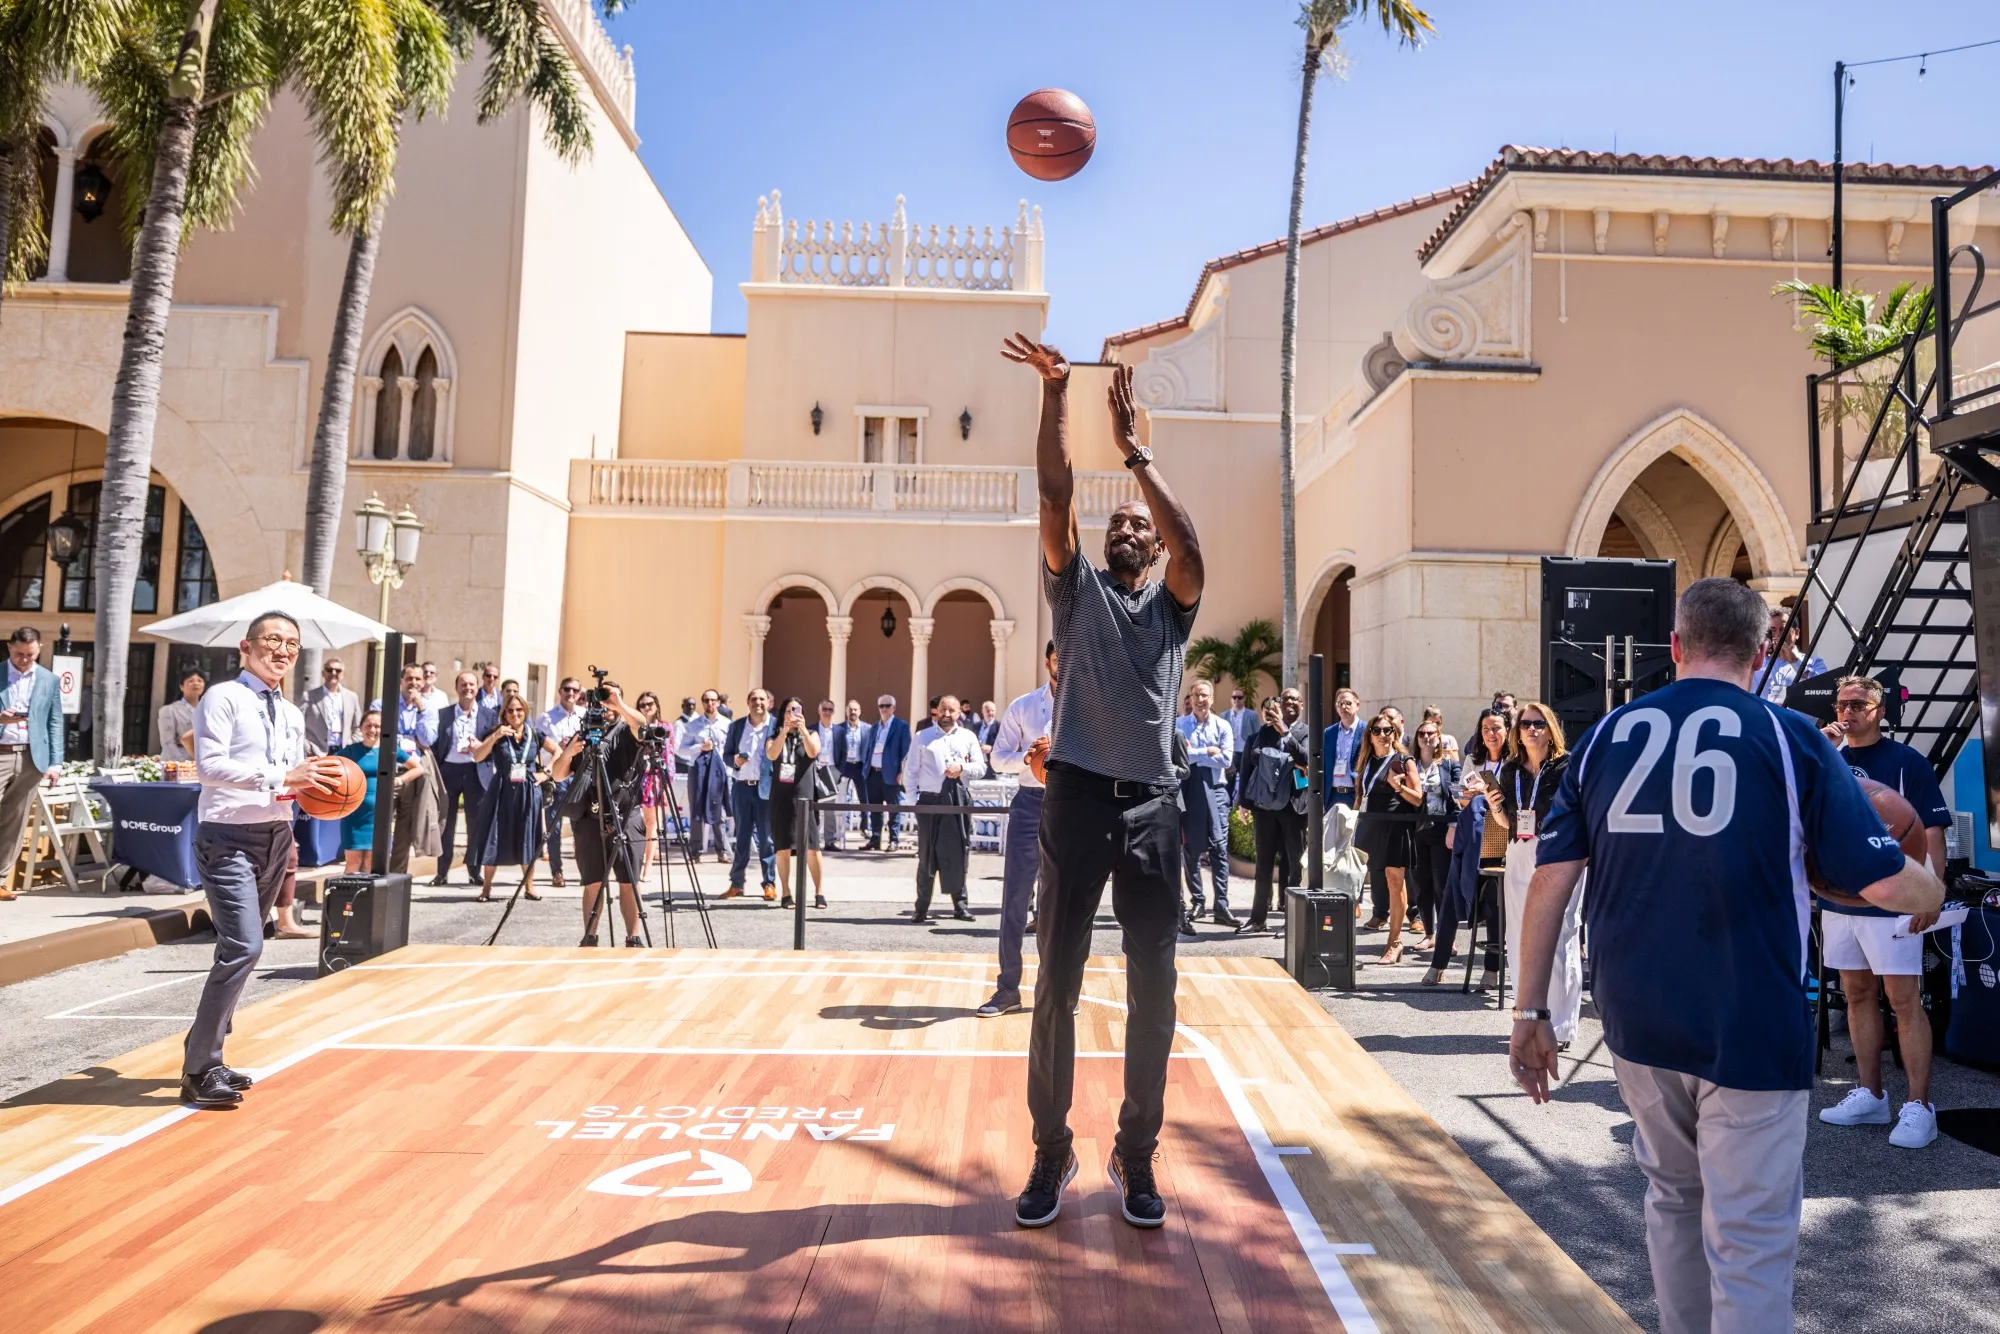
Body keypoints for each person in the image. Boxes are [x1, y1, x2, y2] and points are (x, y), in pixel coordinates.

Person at [1511, 576, 1944, 1334]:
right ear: (1759, 652)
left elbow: (1551, 879)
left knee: (1673, 1203)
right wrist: (1932, 886)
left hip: (1638, 1013)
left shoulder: (1607, 735)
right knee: (1750, 1235)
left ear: (1675, 646)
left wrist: (1530, 1010)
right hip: (1750, 1012)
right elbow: (1883, 884)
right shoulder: (1791, 736)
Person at [1001, 334, 1203, 1232]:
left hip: (1156, 806)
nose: (1127, 529)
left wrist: (1137, 455)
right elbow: (1054, 494)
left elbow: (1192, 542)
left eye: (1139, 526)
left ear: (1152, 548)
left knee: (1155, 989)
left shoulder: (1171, 606)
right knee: (1057, 984)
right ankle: (1051, 1152)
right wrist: (1055, 394)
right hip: (1080, 796)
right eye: (1117, 522)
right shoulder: (1077, 592)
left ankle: (1136, 1150)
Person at [182, 612, 343, 1106]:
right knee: (243, 948)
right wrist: (282, 779)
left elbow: (292, 778)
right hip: (227, 838)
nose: (283, 649)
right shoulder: (223, 697)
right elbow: (209, 767)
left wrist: (315, 785)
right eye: (273, 640)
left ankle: (206, 1053)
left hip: (275, 836)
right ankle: (198, 1070)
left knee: (245, 947)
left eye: (292, 643)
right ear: (245, 647)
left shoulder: (292, 713)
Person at [1815, 673, 1950, 1149]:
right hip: (1840, 894)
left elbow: (1931, 830)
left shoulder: (1905, 762)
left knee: (1903, 1000)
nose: (1847, 712)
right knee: (1855, 994)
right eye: (1841, 704)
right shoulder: (1825, 759)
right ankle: (1871, 1095)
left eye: (1858, 704)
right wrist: (1822, 750)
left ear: (1880, 711)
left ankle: (1920, 1106)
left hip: (1894, 896)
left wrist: (1932, 890)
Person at [1494, 700, 1581, 1040]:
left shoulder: (1567, 766)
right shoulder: (1510, 769)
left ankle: (1560, 1025)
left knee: (1560, 934)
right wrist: (1494, 804)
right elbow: (1507, 822)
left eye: (1538, 724)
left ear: (1550, 730)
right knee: (1518, 935)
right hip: (1519, 851)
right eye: (1525, 724)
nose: (1531, 729)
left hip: (1558, 852)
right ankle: (1529, 1016)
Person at [982, 642, 1057, 1016]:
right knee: (1015, 899)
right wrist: (1028, 756)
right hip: (1030, 802)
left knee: (1061, 904)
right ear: (1048, 662)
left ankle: (1058, 991)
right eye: (1060, 656)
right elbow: (998, 758)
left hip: (1072, 808)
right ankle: (1008, 989)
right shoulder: (1024, 706)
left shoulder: (1088, 704)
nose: (1066, 662)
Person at [551, 681, 649, 946]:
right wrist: (569, 751)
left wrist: (619, 703)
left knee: (628, 881)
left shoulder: (627, 730)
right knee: (593, 881)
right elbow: (559, 774)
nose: (605, 704)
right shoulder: (584, 734)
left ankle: (633, 937)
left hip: (626, 817)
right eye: (601, 698)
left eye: (611, 698)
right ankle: (590, 935)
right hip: (590, 820)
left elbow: (642, 725)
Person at [1425, 708, 1507, 987]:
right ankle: (1438, 963)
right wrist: (1469, 794)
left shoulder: (1515, 763)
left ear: (1507, 731)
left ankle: (1492, 969)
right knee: (1450, 896)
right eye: (1486, 728)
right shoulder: (1474, 759)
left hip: (1500, 838)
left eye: (1496, 728)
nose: (1491, 734)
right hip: (1471, 836)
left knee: (1496, 903)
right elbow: (1462, 801)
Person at [903, 693, 985, 923]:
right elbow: (910, 772)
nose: (946, 714)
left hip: (958, 799)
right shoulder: (922, 736)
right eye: (943, 709)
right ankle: (921, 908)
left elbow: (980, 767)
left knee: (959, 852)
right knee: (926, 856)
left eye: (951, 710)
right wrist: (912, 804)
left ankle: (960, 906)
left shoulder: (968, 736)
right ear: (936, 711)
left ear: (959, 713)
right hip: (929, 801)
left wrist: (963, 767)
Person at [0, 628, 63, 902]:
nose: (25, 659)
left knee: (14, 820)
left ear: (40, 649)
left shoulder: (49, 680)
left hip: (31, 758)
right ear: (9, 647)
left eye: (31, 654)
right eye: (19, 654)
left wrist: (56, 763)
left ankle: (0, 879)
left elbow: (55, 722)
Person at [474, 694, 556, 902]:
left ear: (525, 712)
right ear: (504, 714)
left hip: (528, 790)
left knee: (527, 837)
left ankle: (529, 887)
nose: (515, 714)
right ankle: (486, 889)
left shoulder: (535, 734)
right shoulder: (496, 733)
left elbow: (558, 751)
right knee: (494, 836)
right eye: (510, 710)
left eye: (519, 710)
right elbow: (477, 756)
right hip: (501, 790)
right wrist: (495, 737)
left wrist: (545, 773)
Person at [1354, 711, 1421, 964]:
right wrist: (1352, 822)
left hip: (1396, 829)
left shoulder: (1404, 761)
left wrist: (1398, 787)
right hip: (1371, 829)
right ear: (1369, 736)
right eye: (1377, 731)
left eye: (1388, 730)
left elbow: (1418, 798)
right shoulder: (1366, 762)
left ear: (1395, 734)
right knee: (1365, 880)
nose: (1383, 735)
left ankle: (1395, 943)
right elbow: (1360, 797)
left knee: (1396, 883)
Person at [1238, 696, 1308, 934]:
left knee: (1296, 865)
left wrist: (1284, 732)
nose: (1280, 709)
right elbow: (1249, 765)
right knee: (1263, 864)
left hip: (1293, 808)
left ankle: (1293, 921)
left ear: (1301, 706)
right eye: (1274, 708)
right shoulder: (1261, 734)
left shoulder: (1305, 733)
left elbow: (1305, 759)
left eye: (1291, 701)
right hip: (1265, 808)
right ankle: (1257, 918)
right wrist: (1244, 805)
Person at [1176, 679, 1236, 928]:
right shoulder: (1180, 725)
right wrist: (1207, 751)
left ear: (1212, 698)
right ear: (1190, 698)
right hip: (1188, 793)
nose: (1200, 700)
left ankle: (1221, 905)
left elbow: (1226, 759)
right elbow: (1179, 757)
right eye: (1196, 695)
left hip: (1216, 792)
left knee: (1219, 850)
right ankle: (1197, 901)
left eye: (1205, 695)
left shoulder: (1223, 726)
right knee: (1189, 850)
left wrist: (1196, 754)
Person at [335, 710, 423, 874]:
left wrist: (398, 780)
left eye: (377, 726)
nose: (372, 730)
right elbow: (330, 765)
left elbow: (418, 768)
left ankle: (368, 899)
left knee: (372, 864)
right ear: (361, 728)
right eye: (368, 725)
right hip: (353, 815)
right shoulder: (351, 751)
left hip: (379, 816)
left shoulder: (389, 750)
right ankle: (348, 900)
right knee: (353, 863)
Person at [432, 671, 496, 887]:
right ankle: (441, 872)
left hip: (476, 771)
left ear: (477, 688)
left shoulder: (489, 715)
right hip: (449, 771)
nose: (467, 688)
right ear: (457, 687)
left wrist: (480, 746)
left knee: (475, 824)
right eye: (463, 684)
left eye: (471, 684)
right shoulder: (444, 714)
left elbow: (494, 744)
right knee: (446, 824)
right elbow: (435, 744)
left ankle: (474, 871)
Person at [766, 696, 826, 910]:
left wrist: (801, 730)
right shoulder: (774, 737)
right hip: (781, 797)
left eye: (797, 710)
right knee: (782, 848)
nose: (793, 714)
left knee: (812, 847)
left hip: (804, 797)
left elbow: (813, 752)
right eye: (789, 711)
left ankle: (818, 892)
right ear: (783, 714)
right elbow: (772, 755)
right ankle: (786, 892)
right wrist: (784, 731)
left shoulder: (812, 734)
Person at [1409, 717, 1460, 953]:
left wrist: (1453, 825)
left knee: (1442, 885)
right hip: (1416, 831)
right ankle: (1429, 933)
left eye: (1431, 733)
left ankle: (1445, 936)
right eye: (1422, 734)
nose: (1427, 737)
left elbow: (1459, 798)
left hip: (1441, 830)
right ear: (1417, 739)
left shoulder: (1449, 765)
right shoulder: (1410, 765)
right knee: (1422, 885)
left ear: (1439, 737)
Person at [723, 688, 778, 900]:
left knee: (767, 839)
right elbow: (726, 754)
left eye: (762, 699)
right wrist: (734, 761)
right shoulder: (737, 726)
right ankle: (736, 884)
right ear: (748, 702)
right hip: (741, 787)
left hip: (766, 789)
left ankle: (769, 883)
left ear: (769, 703)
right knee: (742, 837)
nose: (758, 703)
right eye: (754, 699)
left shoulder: (775, 726)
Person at [389, 665, 444, 874]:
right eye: (409, 678)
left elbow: (427, 739)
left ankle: (397, 875)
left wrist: (420, 709)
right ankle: (376, 869)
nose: (414, 683)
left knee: (405, 826)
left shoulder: (428, 708)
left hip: (414, 772)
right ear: (402, 680)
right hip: (391, 769)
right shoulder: (386, 703)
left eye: (418, 679)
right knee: (382, 822)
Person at [539, 677, 585, 886]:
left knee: (580, 829)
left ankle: (585, 870)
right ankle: (556, 872)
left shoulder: (585, 716)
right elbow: (539, 748)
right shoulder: (546, 718)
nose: (570, 693)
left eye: (575, 690)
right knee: (554, 828)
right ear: (560, 690)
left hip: (579, 779)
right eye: (567, 689)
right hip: (556, 778)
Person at [678, 690, 731, 860]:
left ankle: (721, 850)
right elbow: (681, 749)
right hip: (697, 771)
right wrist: (699, 747)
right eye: (706, 700)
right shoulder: (693, 725)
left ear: (718, 703)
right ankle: (695, 852)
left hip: (719, 772)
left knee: (718, 810)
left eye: (713, 700)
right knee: (696, 811)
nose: (710, 704)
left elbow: (731, 750)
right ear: (703, 703)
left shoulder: (727, 724)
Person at [862, 694, 912, 851]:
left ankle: (894, 840)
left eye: (887, 705)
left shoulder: (901, 726)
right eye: (881, 706)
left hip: (891, 774)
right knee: (875, 809)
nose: (884, 709)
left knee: (893, 809)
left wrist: (902, 773)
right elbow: (869, 748)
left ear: (894, 707)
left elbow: (906, 752)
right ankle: (875, 840)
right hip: (873, 774)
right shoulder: (874, 727)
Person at [632, 691, 671, 882]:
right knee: (632, 823)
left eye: (650, 704)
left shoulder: (664, 727)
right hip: (635, 777)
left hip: (654, 778)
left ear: (656, 705)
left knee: (651, 824)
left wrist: (665, 785)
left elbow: (668, 757)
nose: (646, 708)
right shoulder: (634, 726)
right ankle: (634, 862)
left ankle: (647, 867)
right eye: (642, 705)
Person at [1758, 603, 1829, 706]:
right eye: (1773, 630)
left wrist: (1794, 662)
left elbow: (1823, 690)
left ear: (1796, 633)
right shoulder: (1760, 663)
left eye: (1783, 629)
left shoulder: (1814, 663)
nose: (1777, 635)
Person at [829, 699, 868, 851]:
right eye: (850, 710)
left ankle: (865, 827)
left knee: (864, 798)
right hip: (844, 767)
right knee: (840, 798)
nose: (853, 712)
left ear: (860, 711)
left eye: (855, 710)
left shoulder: (867, 729)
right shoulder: (838, 729)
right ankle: (840, 829)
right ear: (846, 711)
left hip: (859, 766)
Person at [302, 658, 361, 757]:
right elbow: (299, 723)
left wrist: (352, 744)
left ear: (342, 674)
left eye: (338, 671)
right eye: (329, 670)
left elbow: (358, 726)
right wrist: (307, 746)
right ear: (323, 673)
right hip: (316, 751)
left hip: (344, 750)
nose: (333, 673)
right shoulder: (309, 696)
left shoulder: (352, 697)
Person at [1321, 687, 1365, 809]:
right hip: (1333, 795)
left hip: (1355, 794)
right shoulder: (1329, 732)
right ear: (1336, 708)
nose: (1344, 707)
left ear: (1357, 705)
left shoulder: (1366, 730)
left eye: (1348, 703)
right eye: (1340, 704)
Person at [158, 669, 204, 762]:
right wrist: (182, 763)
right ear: (181, 686)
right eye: (191, 681)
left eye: (200, 680)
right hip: (180, 761)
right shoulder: (169, 710)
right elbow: (168, 743)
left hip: (205, 761)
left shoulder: (209, 710)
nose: (196, 683)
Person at [813, 700, 842, 851]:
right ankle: (812, 840)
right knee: (812, 806)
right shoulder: (811, 729)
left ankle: (830, 841)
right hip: (815, 769)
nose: (827, 712)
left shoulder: (839, 731)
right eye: (824, 709)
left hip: (831, 770)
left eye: (830, 709)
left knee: (829, 807)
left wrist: (838, 772)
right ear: (819, 711)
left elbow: (843, 753)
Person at [1222, 686, 1257, 798]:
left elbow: (1257, 734)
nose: (1237, 700)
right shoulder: (1224, 716)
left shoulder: (1252, 715)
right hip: (1230, 754)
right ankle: (1227, 810)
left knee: (1245, 784)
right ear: (1231, 699)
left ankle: (1243, 809)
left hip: (1245, 753)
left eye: (1239, 697)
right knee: (1228, 784)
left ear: (1244, 699)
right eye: (1234, 697)